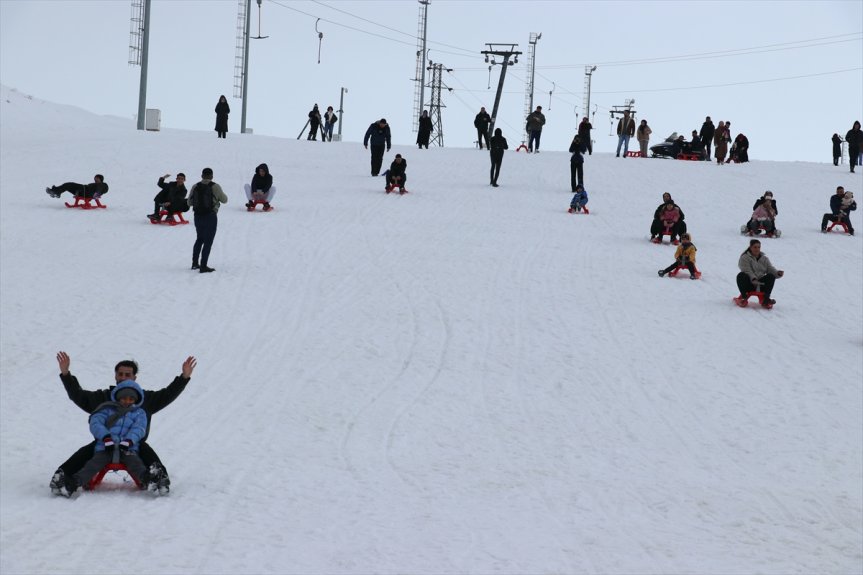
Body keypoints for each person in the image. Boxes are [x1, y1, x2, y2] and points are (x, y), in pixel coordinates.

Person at [49, 352, 196, 497]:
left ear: (134, 377)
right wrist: (66, 374)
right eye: (120, 374)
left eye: (127, 374)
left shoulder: (144, 399)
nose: (123, 377)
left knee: (147, 451)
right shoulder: (104, 398)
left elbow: (168, 394)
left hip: (134, 444)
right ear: (115, 376)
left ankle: (159, 479)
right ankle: (62, 476)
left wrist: (184, 377)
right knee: (87, 451)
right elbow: (79, 396)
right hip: (105, 443)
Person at [60, 379, 150, 497]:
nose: (127, 401)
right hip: (106, 447)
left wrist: (129, 441)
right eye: (123, 398)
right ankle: (75, 482)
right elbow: (96, 423)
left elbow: (139, 428)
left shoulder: (139, 413)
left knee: (135, 463)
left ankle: (147, 478)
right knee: (93, 464)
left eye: (131, 399)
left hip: (128, 448)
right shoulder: (106, 409)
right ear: (117, 398)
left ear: (136, 400)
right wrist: (106, 438)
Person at [189, 167, 228, 273]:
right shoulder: (215, 186)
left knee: (199, 239)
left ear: (202, 175)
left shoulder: (195, 186)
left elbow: (189, 203)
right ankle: (203, 266)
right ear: (211, 176)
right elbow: (225, 200)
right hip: (210, 216)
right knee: (208, 241)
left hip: (197, 216)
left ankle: (194, 263)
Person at [736, 239, 784, 307]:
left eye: (758, 247)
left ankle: (766, 299)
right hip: (749, 284)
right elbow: (747, 270)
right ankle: (744, 296)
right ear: (750, 247)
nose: (757, 249)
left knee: (771, 276)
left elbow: (770, 268)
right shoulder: (745, 257)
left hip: (760, 284)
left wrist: (777, 273)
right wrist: (753, 278)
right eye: (755, 247)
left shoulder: (764, 259)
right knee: (741, 275)